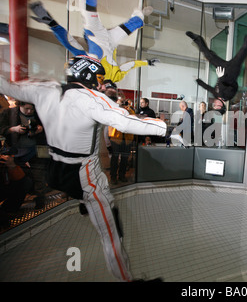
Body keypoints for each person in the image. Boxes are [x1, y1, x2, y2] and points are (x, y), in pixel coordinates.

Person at [0, 55, 167, 282]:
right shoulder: (91, 99)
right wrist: (163, 127)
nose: (101, 84)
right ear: (89, 77)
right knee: (111, 234)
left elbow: (10, 86)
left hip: (55, 170)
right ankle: (126, 280)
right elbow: (125, 122)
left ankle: (82, 202)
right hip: (83, 175)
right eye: (99, 79)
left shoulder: (47, 90)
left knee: (92, 188)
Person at [29, 0, 159, 83]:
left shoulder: (88, 58)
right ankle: (139, 14)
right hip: (110, 42)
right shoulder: (115, 77)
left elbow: (70, 42)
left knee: (78, 44)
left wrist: (52, 24)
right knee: (137, 22)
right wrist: (146, 62)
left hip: (103, 41)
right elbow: (129, 66)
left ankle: (138, 14)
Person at [186, 31, 247, 113]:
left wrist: (198, 81)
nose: (214, 104)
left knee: (209, 56)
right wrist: (222, 78)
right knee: (240, 56)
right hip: (232, 71)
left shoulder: (216, 95)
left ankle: (197, 39)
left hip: (222, 70)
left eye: (214, 106)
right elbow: (234, 85)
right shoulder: (229, 96)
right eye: (216, 106)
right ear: (222, 105)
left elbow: (209, 88)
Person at [0, 144, 34, 228]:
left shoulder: (5, 158)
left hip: (4, 187)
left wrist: (12, 166)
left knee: (26, 182)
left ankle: (9, 209)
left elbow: (23, 180)